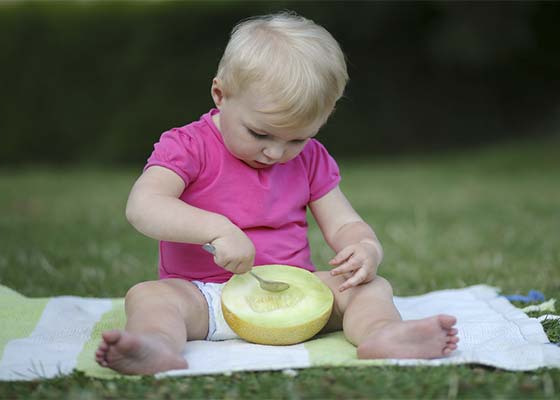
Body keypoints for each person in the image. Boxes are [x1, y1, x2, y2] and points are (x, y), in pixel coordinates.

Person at [95, 12, 459, 375]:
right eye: (260, 134)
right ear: (221, 95)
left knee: (370, 287)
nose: (276, 153)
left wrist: (365, 247)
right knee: (149, 297)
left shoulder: (311, 160)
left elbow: (345, 222)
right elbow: (144, 206)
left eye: (297, 139)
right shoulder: (189, 146)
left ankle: (383, 334)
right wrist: (217, 230)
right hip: (204, 297)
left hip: (296, 301)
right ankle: (155, 345)